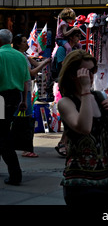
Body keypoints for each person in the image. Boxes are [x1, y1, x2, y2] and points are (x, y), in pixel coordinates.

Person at [58, 49, 108, 207]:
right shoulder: (66, 102)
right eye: (85, 71)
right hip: (78, 181)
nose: (90, 76)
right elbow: (84, 128)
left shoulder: (99, 96)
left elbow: (104, 135)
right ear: (72, 74)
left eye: (92, 71)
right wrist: (84, 91)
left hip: (104, 178)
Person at [0, 29, 31, 185]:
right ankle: (14, 172)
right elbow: (26, 80)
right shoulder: (19, 56)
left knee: (3, 135)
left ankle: (15, 173)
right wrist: (24, 100)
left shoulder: (0, 55)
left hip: (1, 98)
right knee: (3, 130)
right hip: (16, 97)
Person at [12, 34, 51, 158]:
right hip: (23, 90)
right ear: (18, 44)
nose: (27, 43)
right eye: (24, 41)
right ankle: (25, 148)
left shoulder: (24, 56)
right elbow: (32, 73)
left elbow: (34, 62)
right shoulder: (21, 57)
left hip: (25, 89)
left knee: (21, 118)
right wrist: (44, 64)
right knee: (24, 119)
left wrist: (43, 61)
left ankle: (23, 146)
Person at [53, 28, 82, 157]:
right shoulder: (62, 49)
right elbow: (63, 64)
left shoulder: (74, 49)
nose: (78, 39)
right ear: (71, 37)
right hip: (65, 84)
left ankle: (65, 142)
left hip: (74, 84)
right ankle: (63, 143)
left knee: (74, 114)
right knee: (69, 114)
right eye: (77, 36)